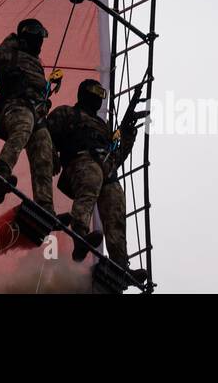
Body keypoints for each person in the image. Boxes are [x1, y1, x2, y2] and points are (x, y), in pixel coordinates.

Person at [45, 79, 147, 284]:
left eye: (102, 94)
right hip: (80, 162)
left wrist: (128, 132)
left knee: (116, 203)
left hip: (105, 170)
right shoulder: (66, 113)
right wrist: (52, 155)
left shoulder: (103, 126)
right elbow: (44, 132)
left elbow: (116, 156)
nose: (99, 98)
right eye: (95, 92)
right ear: (83, 93)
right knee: (91, 179)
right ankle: (80, 237)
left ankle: (120, 265)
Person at [0, 19, 56, 208]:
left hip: (37, 115)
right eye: (37, 39)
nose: (40, 44)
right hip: (14, 107)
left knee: (44, 148)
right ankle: (1, 174)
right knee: (23, 127)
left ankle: (45, 205)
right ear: (26, 38)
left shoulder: (37, 66)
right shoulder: (8, 54)